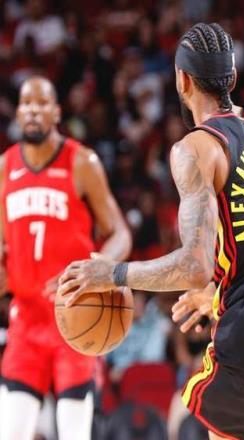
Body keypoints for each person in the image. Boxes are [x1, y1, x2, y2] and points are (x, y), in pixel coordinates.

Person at [57, 22, 244, 440]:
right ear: (232, 78)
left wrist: (113, 273)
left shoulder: (195, 149)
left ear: (182, 80)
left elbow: (195, 266)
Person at [0, 76, 131, 440]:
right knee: (11, 432)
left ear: (56, 112)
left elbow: (121, 235)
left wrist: (95, 268)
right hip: (25, 320)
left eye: (42, 103)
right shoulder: (5, 167)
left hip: (74, 316)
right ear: (18, 113)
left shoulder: (81, 162)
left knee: (75, 432)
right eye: (26, 103)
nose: (33, 111)